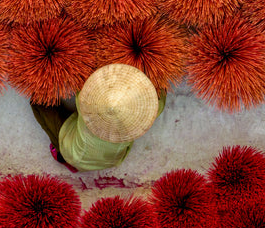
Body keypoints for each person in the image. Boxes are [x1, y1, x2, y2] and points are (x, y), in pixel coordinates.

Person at [30, 64, 167, 172]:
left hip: (76, 156)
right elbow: (160, 94)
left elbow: (81, 75)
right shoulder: (150, 110)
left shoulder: (86, 96)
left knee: (37, 103)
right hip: (113, 159)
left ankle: (61, 155)